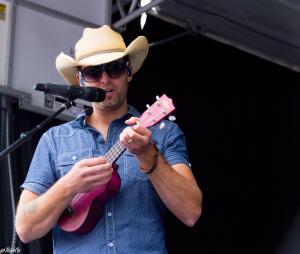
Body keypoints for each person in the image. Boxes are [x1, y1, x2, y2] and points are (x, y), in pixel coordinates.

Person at [15, 25, 202, 253]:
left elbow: (191, 212)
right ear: (80, 80)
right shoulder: (54, 140)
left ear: (129, 71)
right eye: (93, 72)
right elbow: (25, 228)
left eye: (113, 69)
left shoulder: (163, 132)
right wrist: (69, 184)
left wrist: (147, 155)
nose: (104, 80)